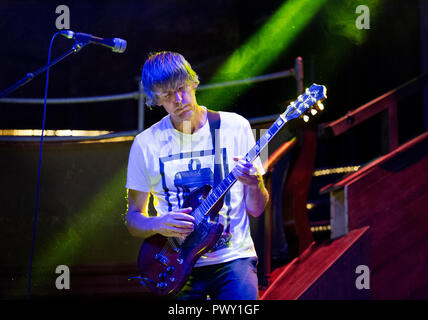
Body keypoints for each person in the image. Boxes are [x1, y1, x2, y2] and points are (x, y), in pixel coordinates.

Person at [125, 51, 269, 300]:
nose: (179, 99)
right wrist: (159, 223)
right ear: (155, 99)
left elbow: (256, 209)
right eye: (167, 95)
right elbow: (133, 220)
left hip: (233, 258)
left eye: (181, 88)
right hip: (176, 264)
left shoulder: (237, 126)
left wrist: (256, 183)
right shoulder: (144, 143)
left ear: (193, 82)